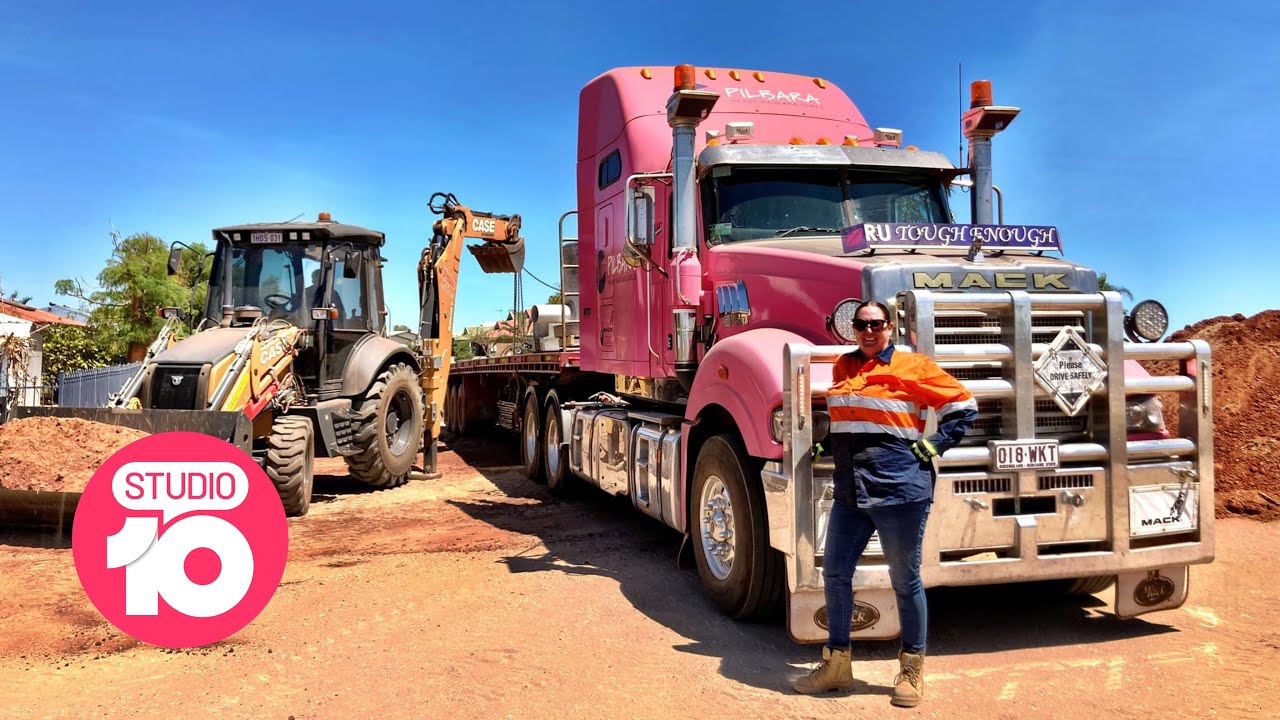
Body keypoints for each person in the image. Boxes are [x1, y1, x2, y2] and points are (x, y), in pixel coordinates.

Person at [792, 300, 977, 706]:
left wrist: (935, 444)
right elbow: (851, 419)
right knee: (835, 574)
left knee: (904, 580)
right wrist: (826, 444)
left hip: (900, 491)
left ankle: (911, 670)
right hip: (851, 492)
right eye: (861, 325)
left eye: (876, 324)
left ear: (890, 327)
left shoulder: (913, 366)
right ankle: (837, 665)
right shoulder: (843, 366)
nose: (868, 331)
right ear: (853, 329)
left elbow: (964, 406)